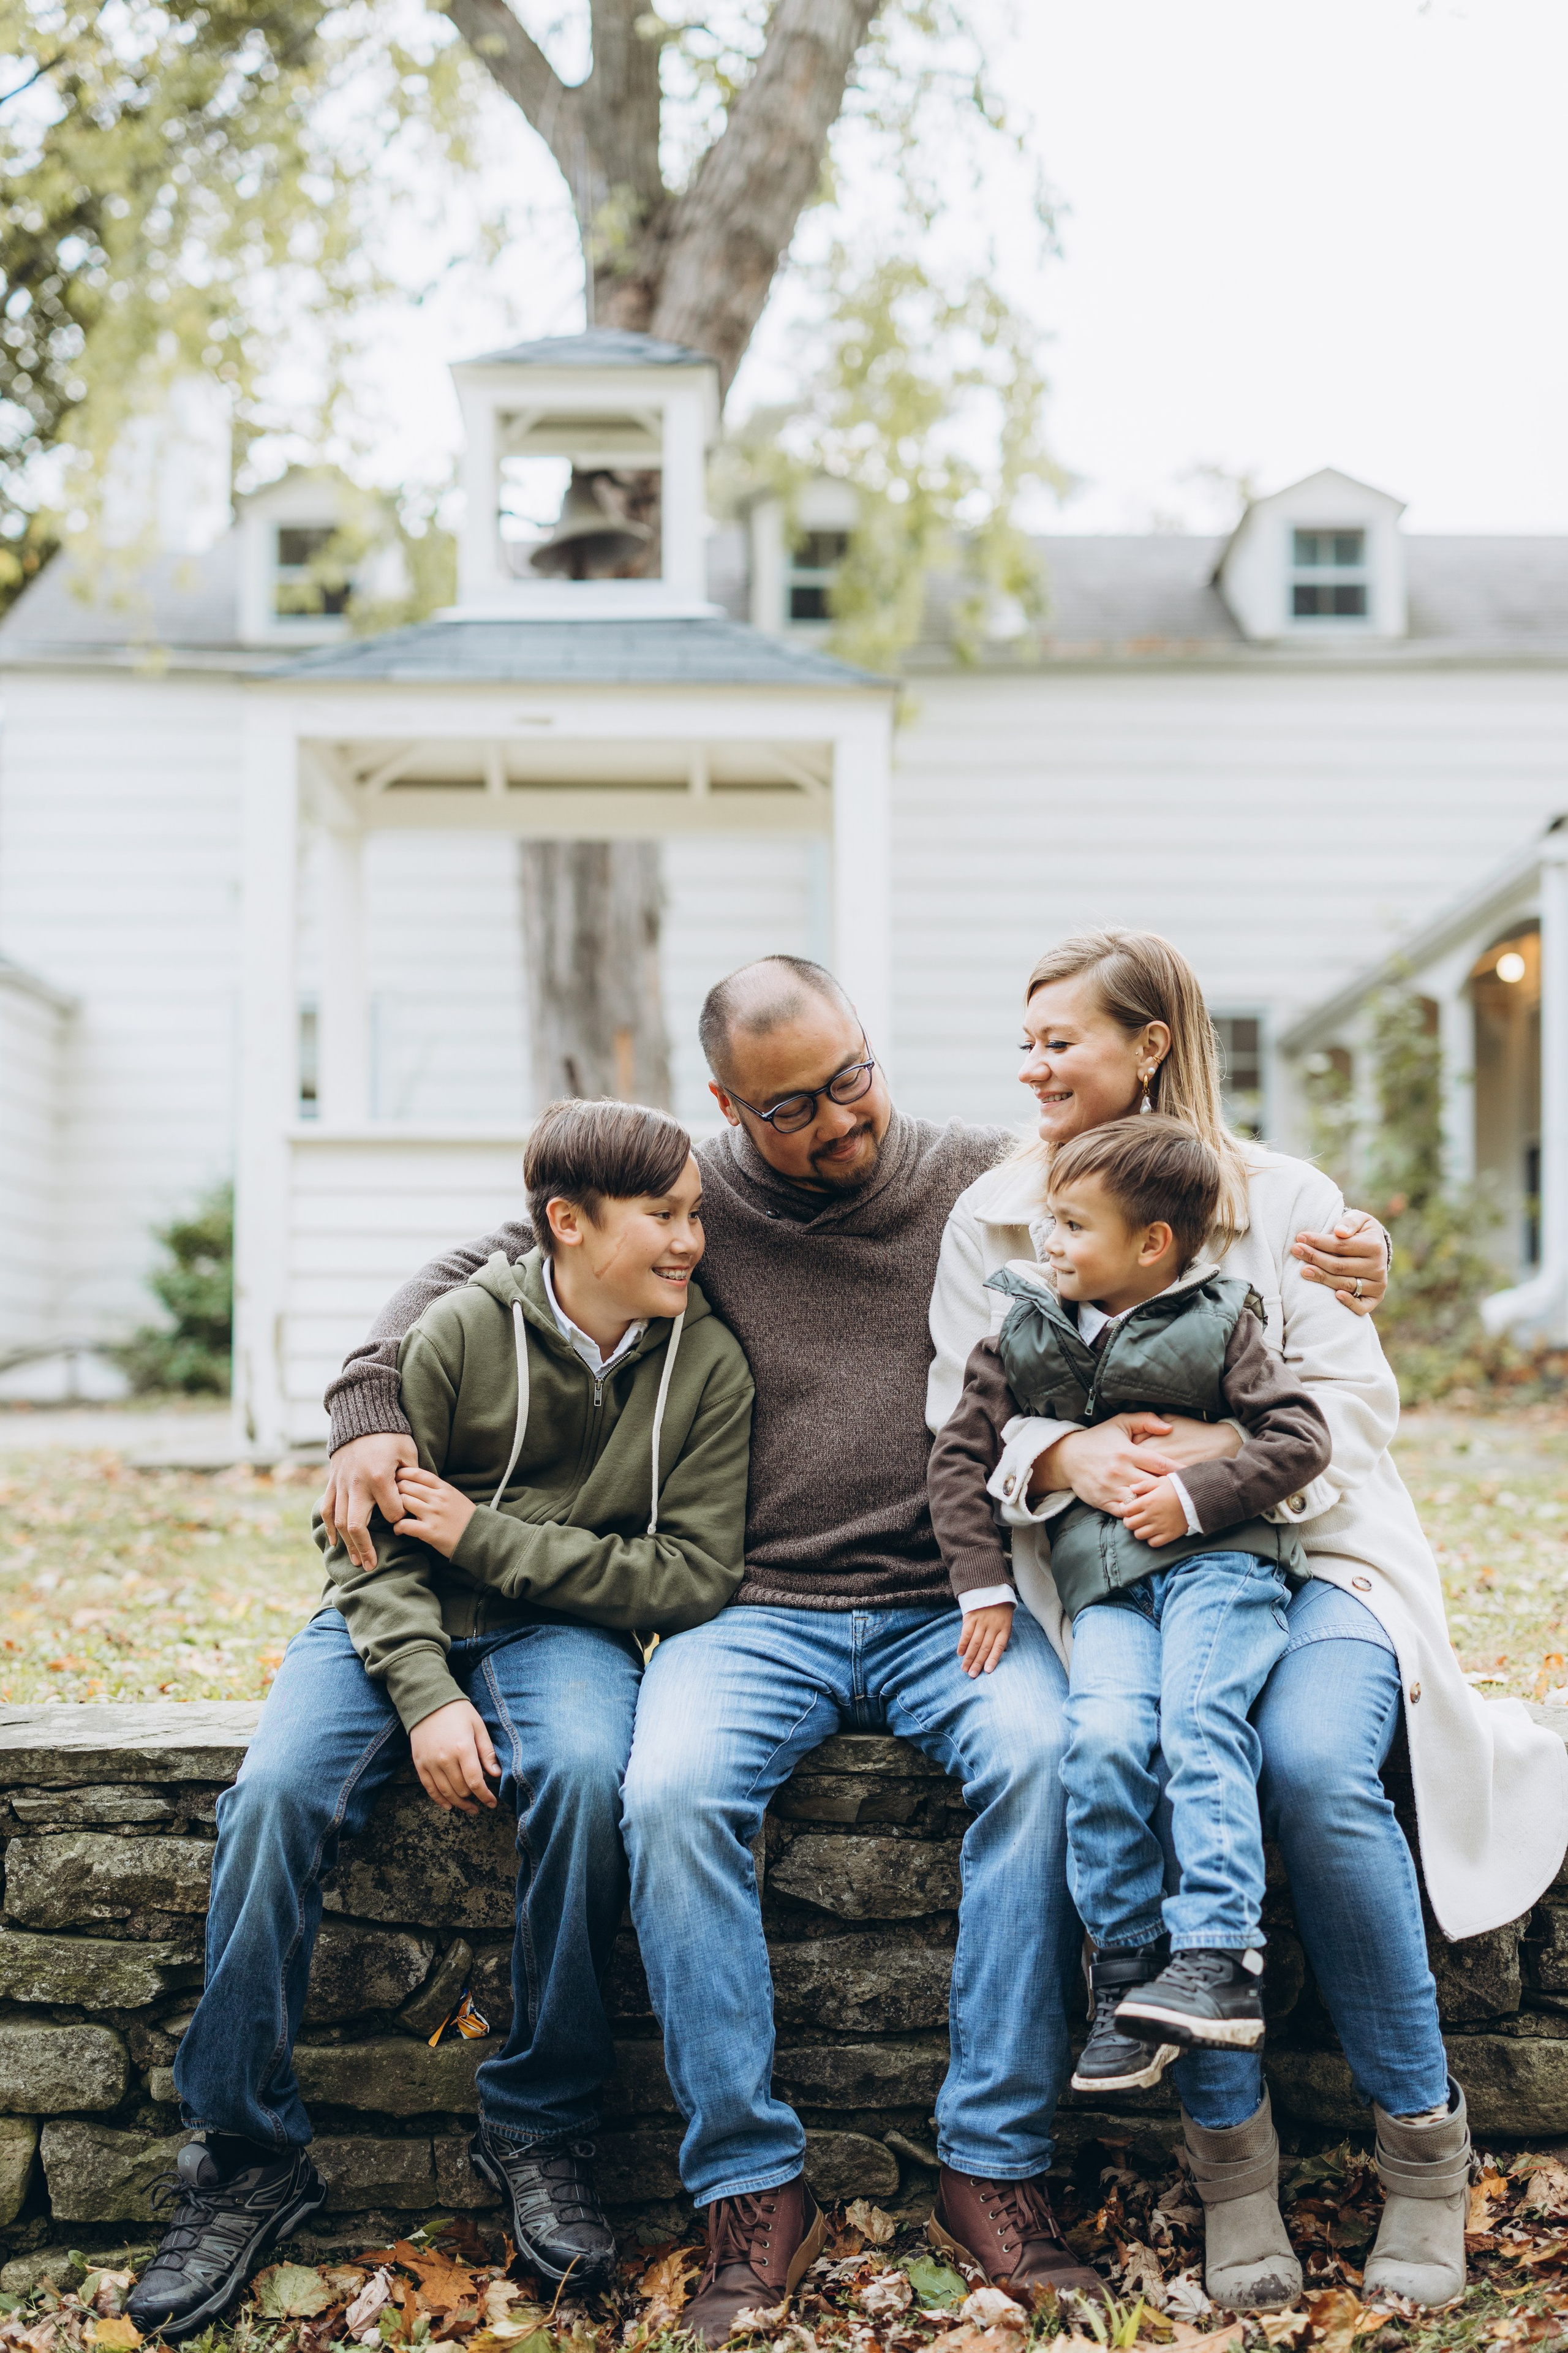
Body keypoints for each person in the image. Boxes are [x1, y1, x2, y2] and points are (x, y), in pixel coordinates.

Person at [320, 955, 1393, 2339]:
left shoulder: (973, 1175)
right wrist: (365, 1401)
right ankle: (749, 2185)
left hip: (960, 1601)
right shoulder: (698, 1199)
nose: (839, 1121)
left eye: (854, 1078)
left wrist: (1351, 1245)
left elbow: (1179, 1191)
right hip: (749, 1608)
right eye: (792, 1108)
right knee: (669, 1794)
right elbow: (499, 1254)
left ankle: (991, 2165)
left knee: (1043, 1759)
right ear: (726, 1107)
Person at [927, 927, 1568, 2315]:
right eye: (1022, 1040)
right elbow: (955, 1417)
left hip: (1309, 1554)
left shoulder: (1285, 1203)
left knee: (1311, 1769)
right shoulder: (988, 1217)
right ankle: (1232, 2171)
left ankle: (1420, 2149)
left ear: (1149, 1045)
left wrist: (1204, 1462)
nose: (1031, 1065)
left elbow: (1347, 1415)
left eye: (1060, 1040)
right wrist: (1061, 1459)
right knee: (1143, 1754)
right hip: (1098, 1575)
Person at [129, 1101, 753, 2341]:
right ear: (568, 1224)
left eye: (695, 1213)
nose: (693, 1239)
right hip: (389, 1618)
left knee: (584, 1776)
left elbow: (690, 1574)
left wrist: (493, 1537)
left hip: (557, 1632)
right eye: (665, 1216)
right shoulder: (463, 1330)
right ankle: (244, 2152)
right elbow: (362, 1541)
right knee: (270, 1800)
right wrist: (427, 1697)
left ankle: (540, 2119)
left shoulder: (708, 1366)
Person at [929, 1114, 1332, 2124]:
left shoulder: (1223, 1316)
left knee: (1199, 1725)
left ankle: (1217, 1953)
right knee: (1101, 1739)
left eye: (1070, 1225)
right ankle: (1125, 1970)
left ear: (1151, 1244)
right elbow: (956, 1460)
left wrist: (1198, 1498)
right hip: (1105, 1588)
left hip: (1223, 1572)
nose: (1048, 1243)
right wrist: (982, 1585)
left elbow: (1302, 1436)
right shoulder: (1019, 1328)